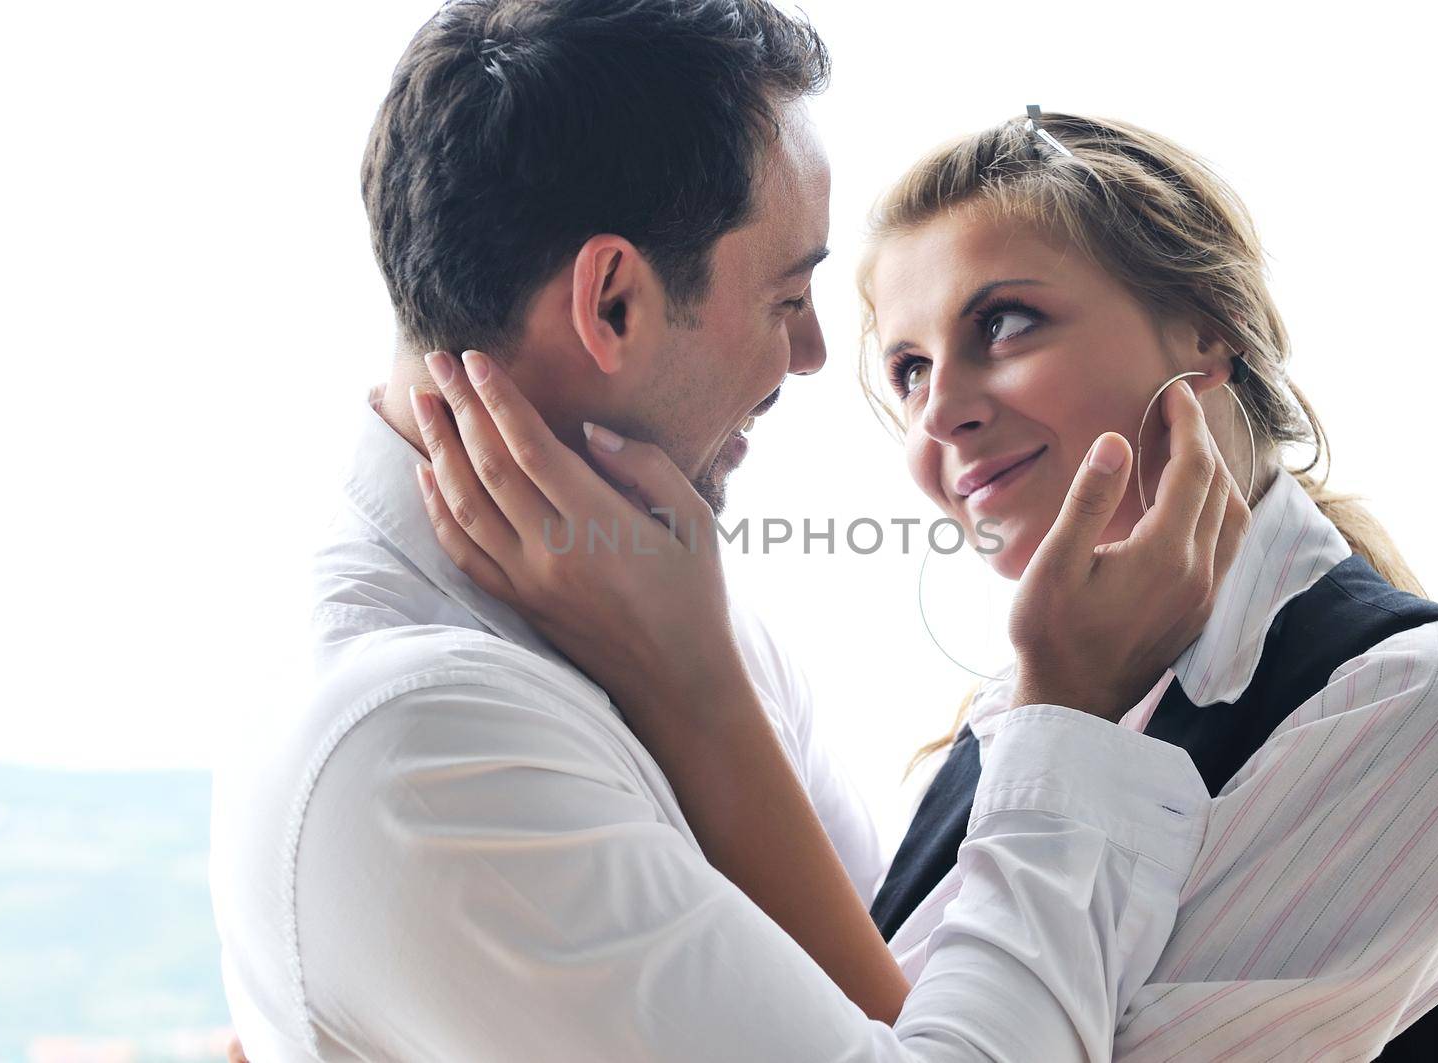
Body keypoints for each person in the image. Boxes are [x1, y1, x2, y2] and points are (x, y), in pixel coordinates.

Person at [210, 4, 1247, 1060]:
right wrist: (1067, 709)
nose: (807, 353)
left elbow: (890, 1006)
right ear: (611, 302)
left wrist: (699, 687)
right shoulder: (424, 743)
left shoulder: (658, 596)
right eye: (788, 294)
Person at [417, 112, 1438, 1060]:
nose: (941, 413)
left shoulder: (1431, 702)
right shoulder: (1017, 716)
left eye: (1002, 323)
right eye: (910, 371)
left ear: (1204, 334)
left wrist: (692, 675)